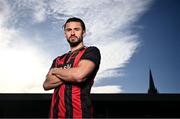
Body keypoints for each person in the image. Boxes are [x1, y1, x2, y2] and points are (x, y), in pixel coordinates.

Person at [43, 17, 101, 118]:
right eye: (69, 30)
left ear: (83, 32)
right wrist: (71, 72)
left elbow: (79, 75)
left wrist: (55, 70)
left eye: (76, 29)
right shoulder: (58, 59)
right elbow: (46, 84)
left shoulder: (91, 51)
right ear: (65, 34)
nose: (72, 33)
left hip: (80, 115)